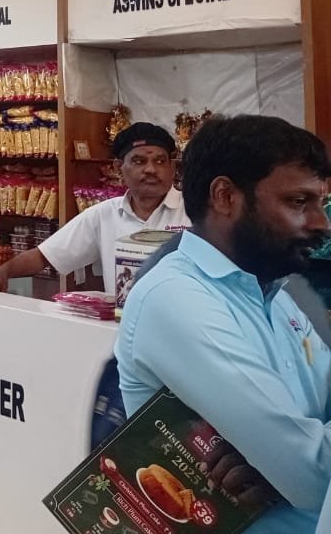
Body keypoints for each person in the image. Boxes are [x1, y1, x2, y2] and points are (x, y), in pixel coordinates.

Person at [118, 114, 331, 533]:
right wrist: (291, 458)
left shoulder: (272, 292)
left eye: (320, 204)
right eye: (298, 203)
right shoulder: (175, 297)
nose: (321, 223)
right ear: (225, 196)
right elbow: (312, 474)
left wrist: (276, 459)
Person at [0, 122, 186, 294]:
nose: (151, 169)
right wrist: (4, 271)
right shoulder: (105, 214)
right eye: (139, 161)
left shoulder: (194, 212)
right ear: (118, 168)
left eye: (160, 161)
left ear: (172, 167)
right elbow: (45, 255)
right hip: (125, 322)